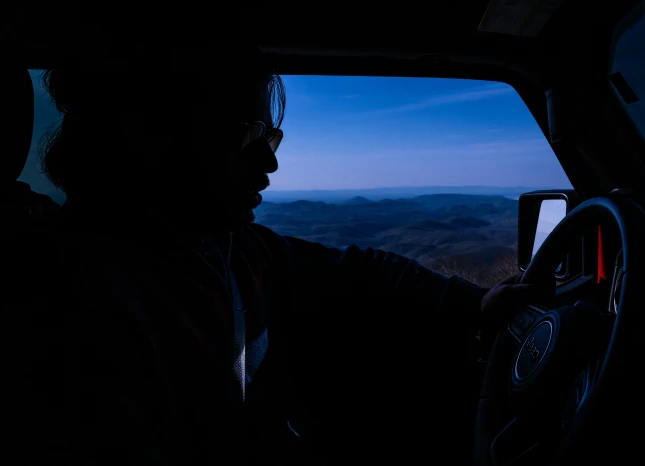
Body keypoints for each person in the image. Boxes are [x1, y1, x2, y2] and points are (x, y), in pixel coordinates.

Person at [12, 40, 543, 465]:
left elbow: (357, 270)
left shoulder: (233, 249)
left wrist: (475, 304)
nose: (269, 165)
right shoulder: (68, 302)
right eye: (249, 135)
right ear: (152, 137)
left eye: (273, 138)